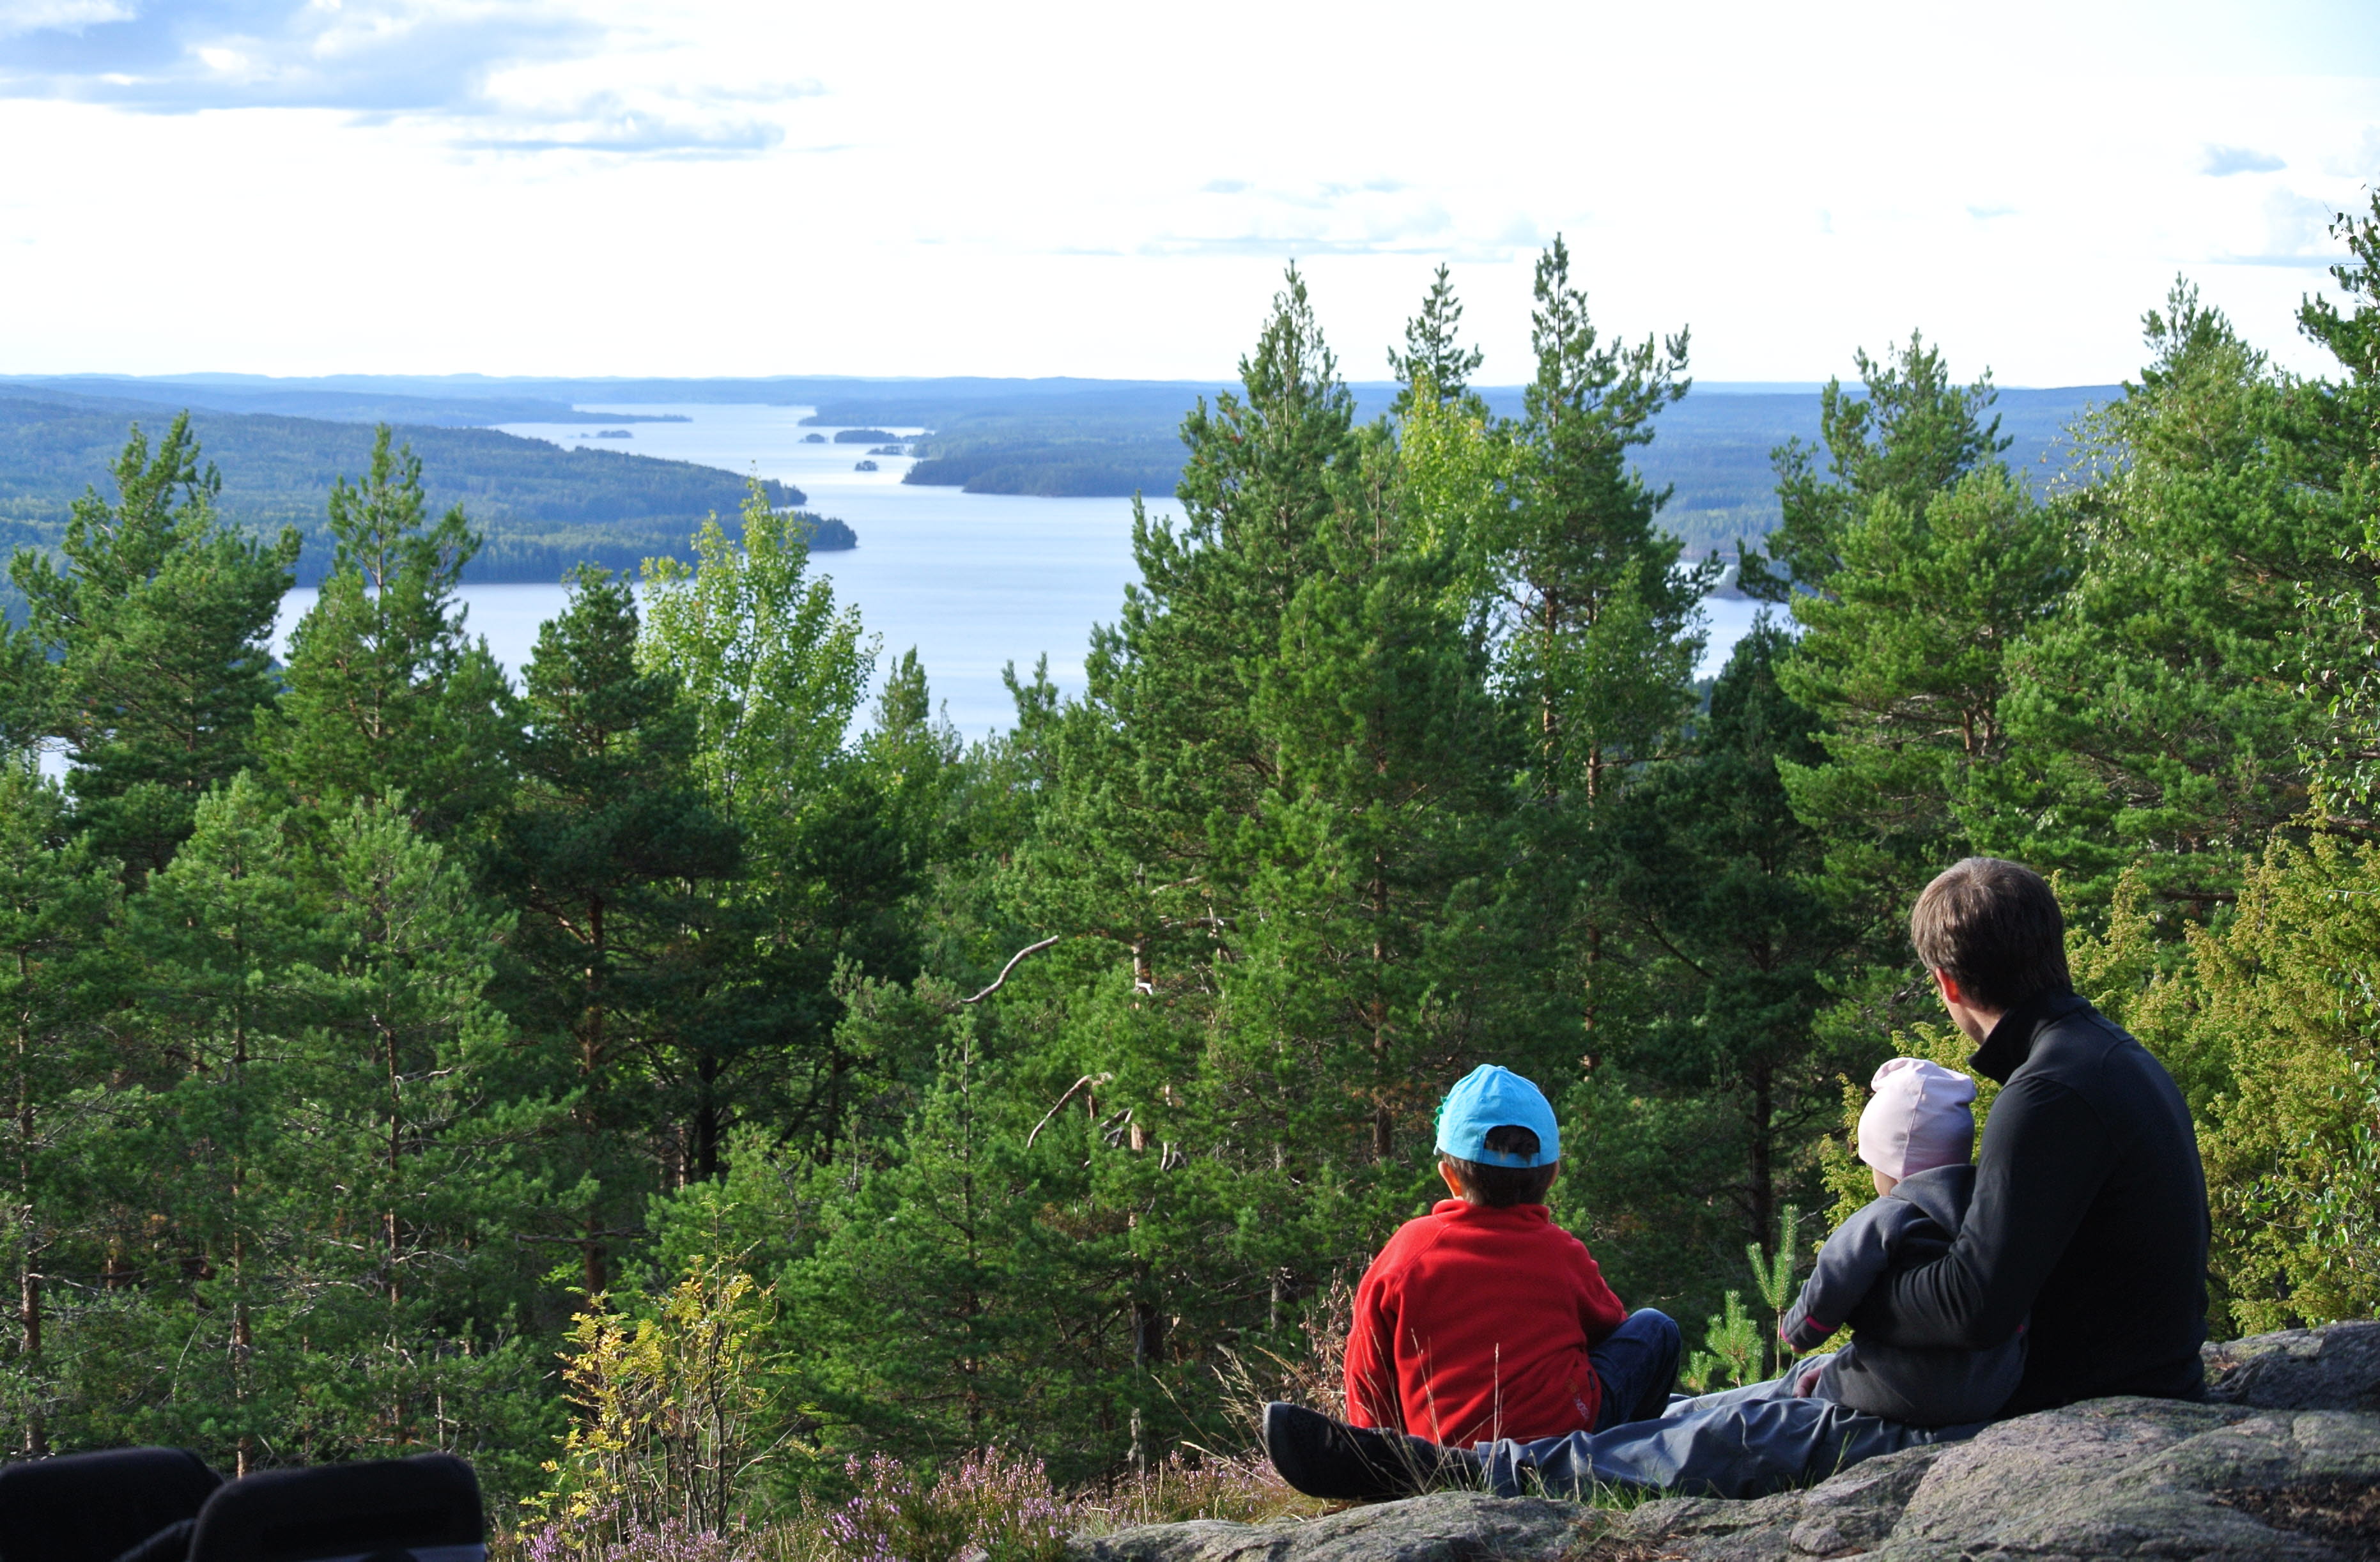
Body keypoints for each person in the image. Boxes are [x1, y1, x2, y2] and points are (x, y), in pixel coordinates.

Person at [1263, 856, 2212, 1501]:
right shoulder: (2101, 1060)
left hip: (2045, 1403)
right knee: (1744, 1402)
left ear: (1948, 985)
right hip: (2081, 1377)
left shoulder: (2047, 1096)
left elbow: (1971, 1304)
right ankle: (1506, 1459)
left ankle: (1469, 1476)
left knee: (1736, 1435)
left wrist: (1853, 1297)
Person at [1340, 1064, 1680, 1448]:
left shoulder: (1408, 1251)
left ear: (1449, 1176)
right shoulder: (1561, 1253)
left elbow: (1365, 1374)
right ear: (1552, 1176)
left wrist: (1393, 1454)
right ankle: (1629, 1455)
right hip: (1565, 1441)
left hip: (1445, 1456)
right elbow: (1611, 1327)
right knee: (1655, 1328)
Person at [1773, 1056, 2025, 1426]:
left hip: (1909, 1388)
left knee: (1819, 1384)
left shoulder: (1890, 1214)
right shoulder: (1988, 1211)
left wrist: (1799, 1330)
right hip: (1993, 1387)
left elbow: (1836, 1272)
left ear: (1889, 1165)